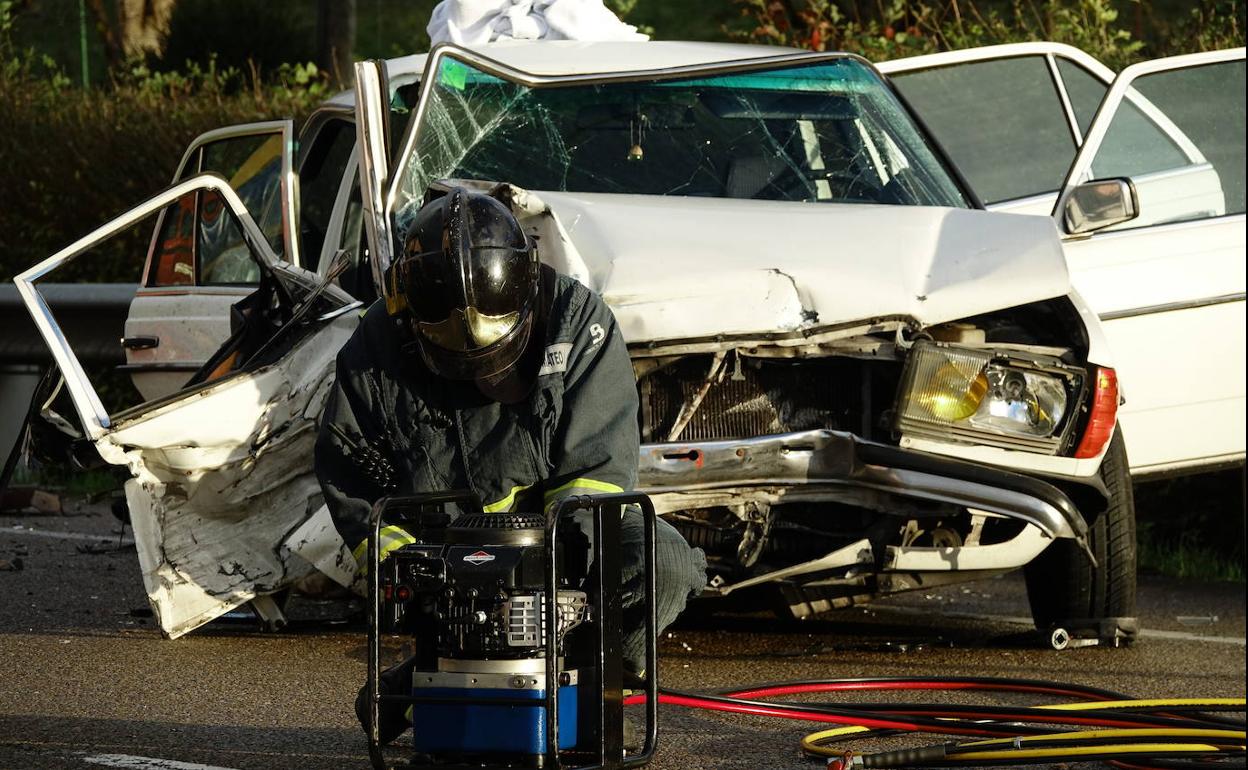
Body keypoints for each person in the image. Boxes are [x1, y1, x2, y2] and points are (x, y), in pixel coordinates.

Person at [313, 184, 707, 742]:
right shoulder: (376, 346)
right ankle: (436, 681)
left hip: (561, 550)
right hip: (448, 559)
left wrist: (538, 575)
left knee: (665, 561)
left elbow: (597, 476)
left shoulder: (576, 323)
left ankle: (572, 685)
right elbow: (349, 471)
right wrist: (405, 568)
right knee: (451, 614)